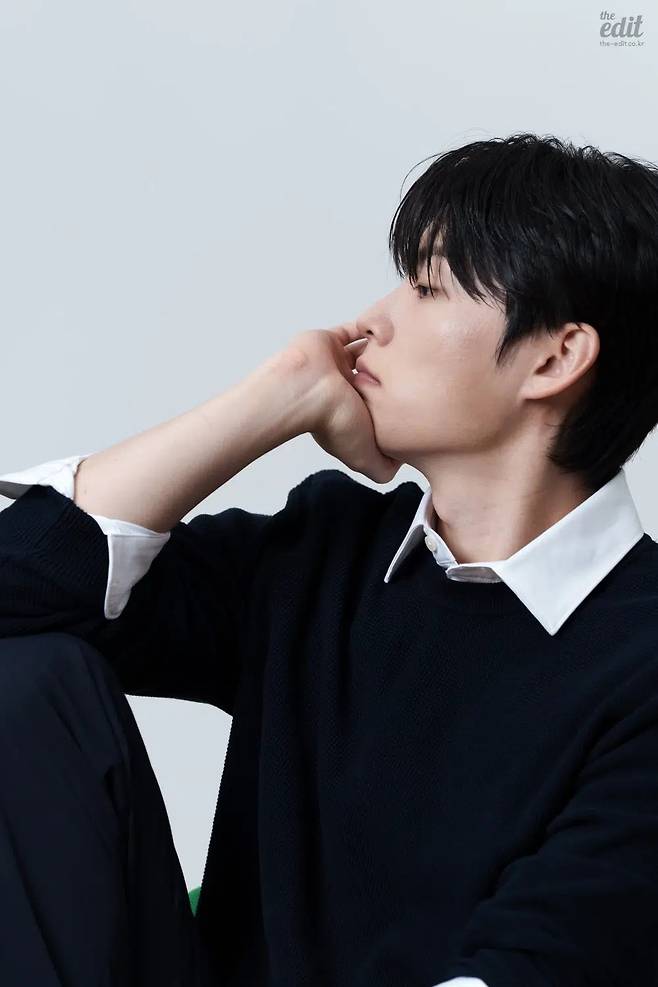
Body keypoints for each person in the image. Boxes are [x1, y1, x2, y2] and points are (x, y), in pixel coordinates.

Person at [2, 131, 658, 986]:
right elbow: (20, 590)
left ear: (555, 357)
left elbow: (542, 962)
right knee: (30, 681)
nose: (371, 321)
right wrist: (274, 395)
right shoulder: (323, 551)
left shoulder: (640, 660)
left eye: (427, 286)